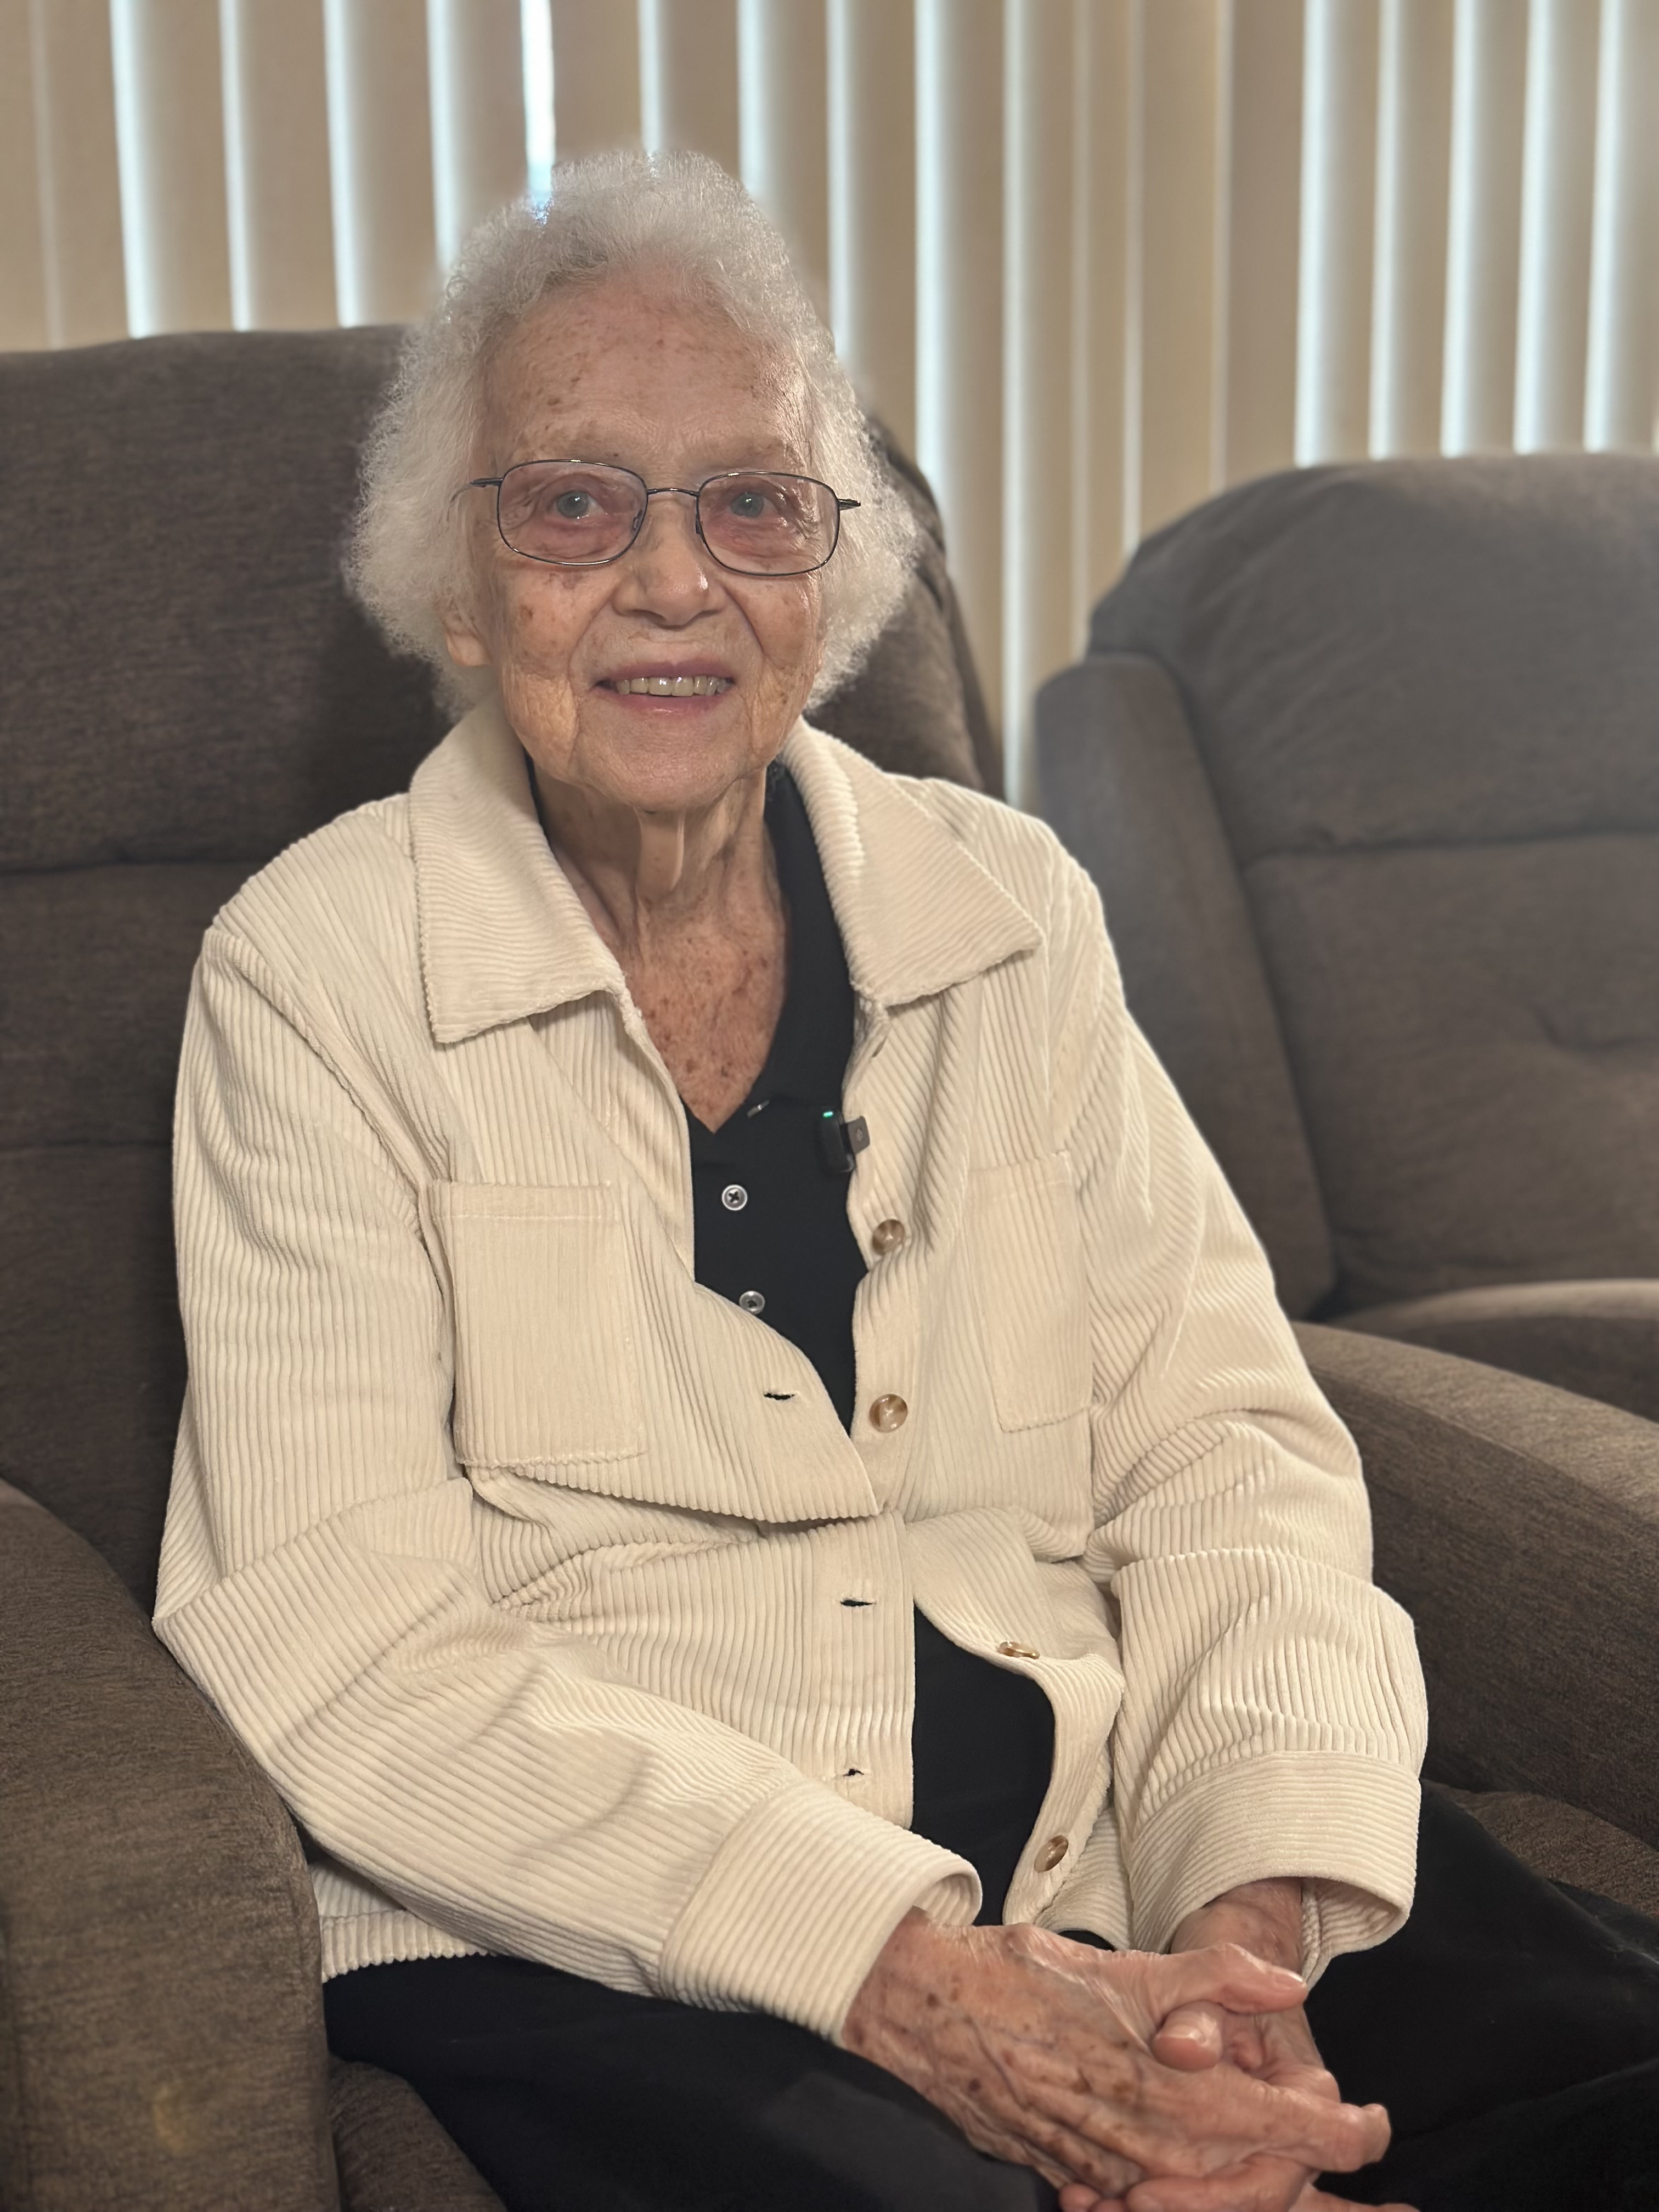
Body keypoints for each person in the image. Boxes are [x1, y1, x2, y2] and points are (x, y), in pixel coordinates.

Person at [154, 152, 1659, 2212]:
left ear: (832, 574)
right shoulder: (314, 976)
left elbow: (1224, 1445)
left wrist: (1237, 1948)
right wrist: (919, 1985)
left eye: (753, 502)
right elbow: (337, 1639)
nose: (672, 580)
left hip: (1101, 1823)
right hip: (614, 1928)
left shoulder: (1011, 910)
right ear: (457, 583)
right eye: (576, 503)